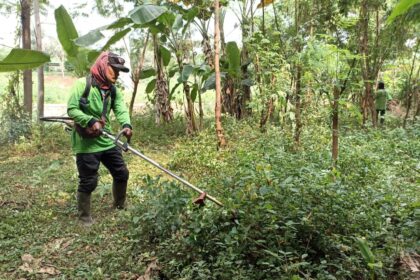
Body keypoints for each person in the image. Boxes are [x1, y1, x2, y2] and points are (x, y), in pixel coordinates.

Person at [67, 51, 133, 225]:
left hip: (107, 139)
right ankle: (84, 218)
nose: (117, 74)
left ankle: (119, 205)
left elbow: (120, 109)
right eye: (115, 70)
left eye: (119, 71)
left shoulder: (112, 90)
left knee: (121, 173)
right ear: (104, 66)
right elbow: (72, 109)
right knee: (89, 180)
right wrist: (90, 120)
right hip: (86, 143)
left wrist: (126, 125)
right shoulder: (83, 84)